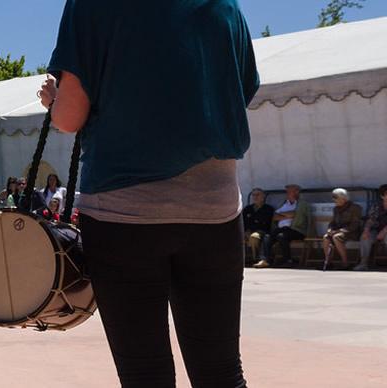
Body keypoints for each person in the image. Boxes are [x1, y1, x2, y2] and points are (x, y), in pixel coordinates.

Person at [43, 1, 258, 385]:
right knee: (222, 371)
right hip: (216, 209)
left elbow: (70, 115)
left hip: (122, 211)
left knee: (145, 374)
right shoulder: (225, 4)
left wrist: (54, 101)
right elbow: (234, 93)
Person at [256, 184, 311, 268]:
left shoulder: (302, 204)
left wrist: (282, 215)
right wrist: (286, 215)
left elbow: (294, 214)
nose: (287, 193)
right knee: (267, 236)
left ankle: (287, 260)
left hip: (297, 230)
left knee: (281, 236)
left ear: (297, 192)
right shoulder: (284, 203)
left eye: (290, 191)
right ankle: (264, 260)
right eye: (287, 191)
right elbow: (274, 216)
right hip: (281, 229)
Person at [323, 188, 363, 269]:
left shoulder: (355, 208)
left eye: (335, 198)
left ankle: (345, 263)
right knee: (326, 237)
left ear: (343, 198)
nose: (334, 200)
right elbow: (333, 222)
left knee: (336, 237)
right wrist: (330, 229)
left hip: (352, 232)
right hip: (338, 231)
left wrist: (338, 231)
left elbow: (355, 225)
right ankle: (328, 263)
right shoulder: (336, 209)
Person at [356, 185, 387, 271]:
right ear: (382, 196)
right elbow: (370, 220)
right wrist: (366, 231)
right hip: (376, 230)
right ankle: (363, 263)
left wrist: (384, 231)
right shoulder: (377, 206)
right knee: (365, 237)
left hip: (385, 231)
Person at [242, 189, 275, 263]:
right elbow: (243, 222)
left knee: (254, 237)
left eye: (257, 195)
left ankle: (255, 258)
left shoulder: (268, 209)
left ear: (263, 197)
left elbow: (265, 223)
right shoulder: (247, 209)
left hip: (262, 231)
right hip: (247, 231)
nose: (255, 197)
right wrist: (245, 231)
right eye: (253, 195)